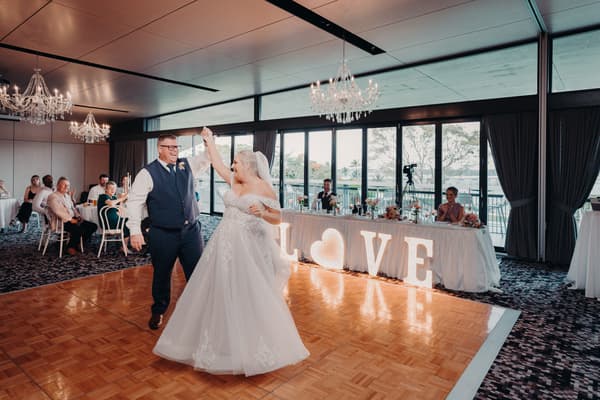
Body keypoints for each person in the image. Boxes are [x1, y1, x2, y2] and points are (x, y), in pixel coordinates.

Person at [153, 127, 309, 377]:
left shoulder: (264, 188)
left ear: (248, 165)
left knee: (246, 292)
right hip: (222, 244)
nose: (233, 166)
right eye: (233, 162)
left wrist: (263, 212)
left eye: (236, 162)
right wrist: (209, 141)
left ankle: (249, 346)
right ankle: (219, 342)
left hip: (246, 248)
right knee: (218, 291)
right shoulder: (235, 181)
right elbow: (216, 163)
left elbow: (277, 218)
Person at [127, 134, 210, 330]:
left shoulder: (186, 164)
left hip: (191, 231)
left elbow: (206, 159)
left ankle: (199, 309)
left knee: (197, 272)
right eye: (170, 147)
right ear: (160, 149)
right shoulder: (147, 173)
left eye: (176, 147)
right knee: (162, 274)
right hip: (163, 233)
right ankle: (159, 310)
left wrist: (208, 145)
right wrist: (134, 231)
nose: (175, 150)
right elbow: (134, 203)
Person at [46, 177, 97, 255]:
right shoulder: (53, 196)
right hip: (60, 221)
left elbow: (73, 208)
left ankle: (80, 242)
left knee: (93, 226)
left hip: (72, 218)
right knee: (79, 229)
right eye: (64, 185)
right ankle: (70, 247)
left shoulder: (66, 196)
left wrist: (78, 216)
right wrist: (71, 219)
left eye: (68, 185)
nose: (67, 187)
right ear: (58, 185)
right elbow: (58, 211)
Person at [97, 181, 130, 251]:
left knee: (128, 221)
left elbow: (119, 210)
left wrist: (121, 200)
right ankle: (124, 247)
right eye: (110, 188)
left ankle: (124, 245)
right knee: (127, 223)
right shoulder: (103, 196)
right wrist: (122, 198)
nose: (113, 190)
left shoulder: (114, 197)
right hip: (108, 223)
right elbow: (111, 204)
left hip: (115, 221)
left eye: (114, 188)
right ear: (105, 189)